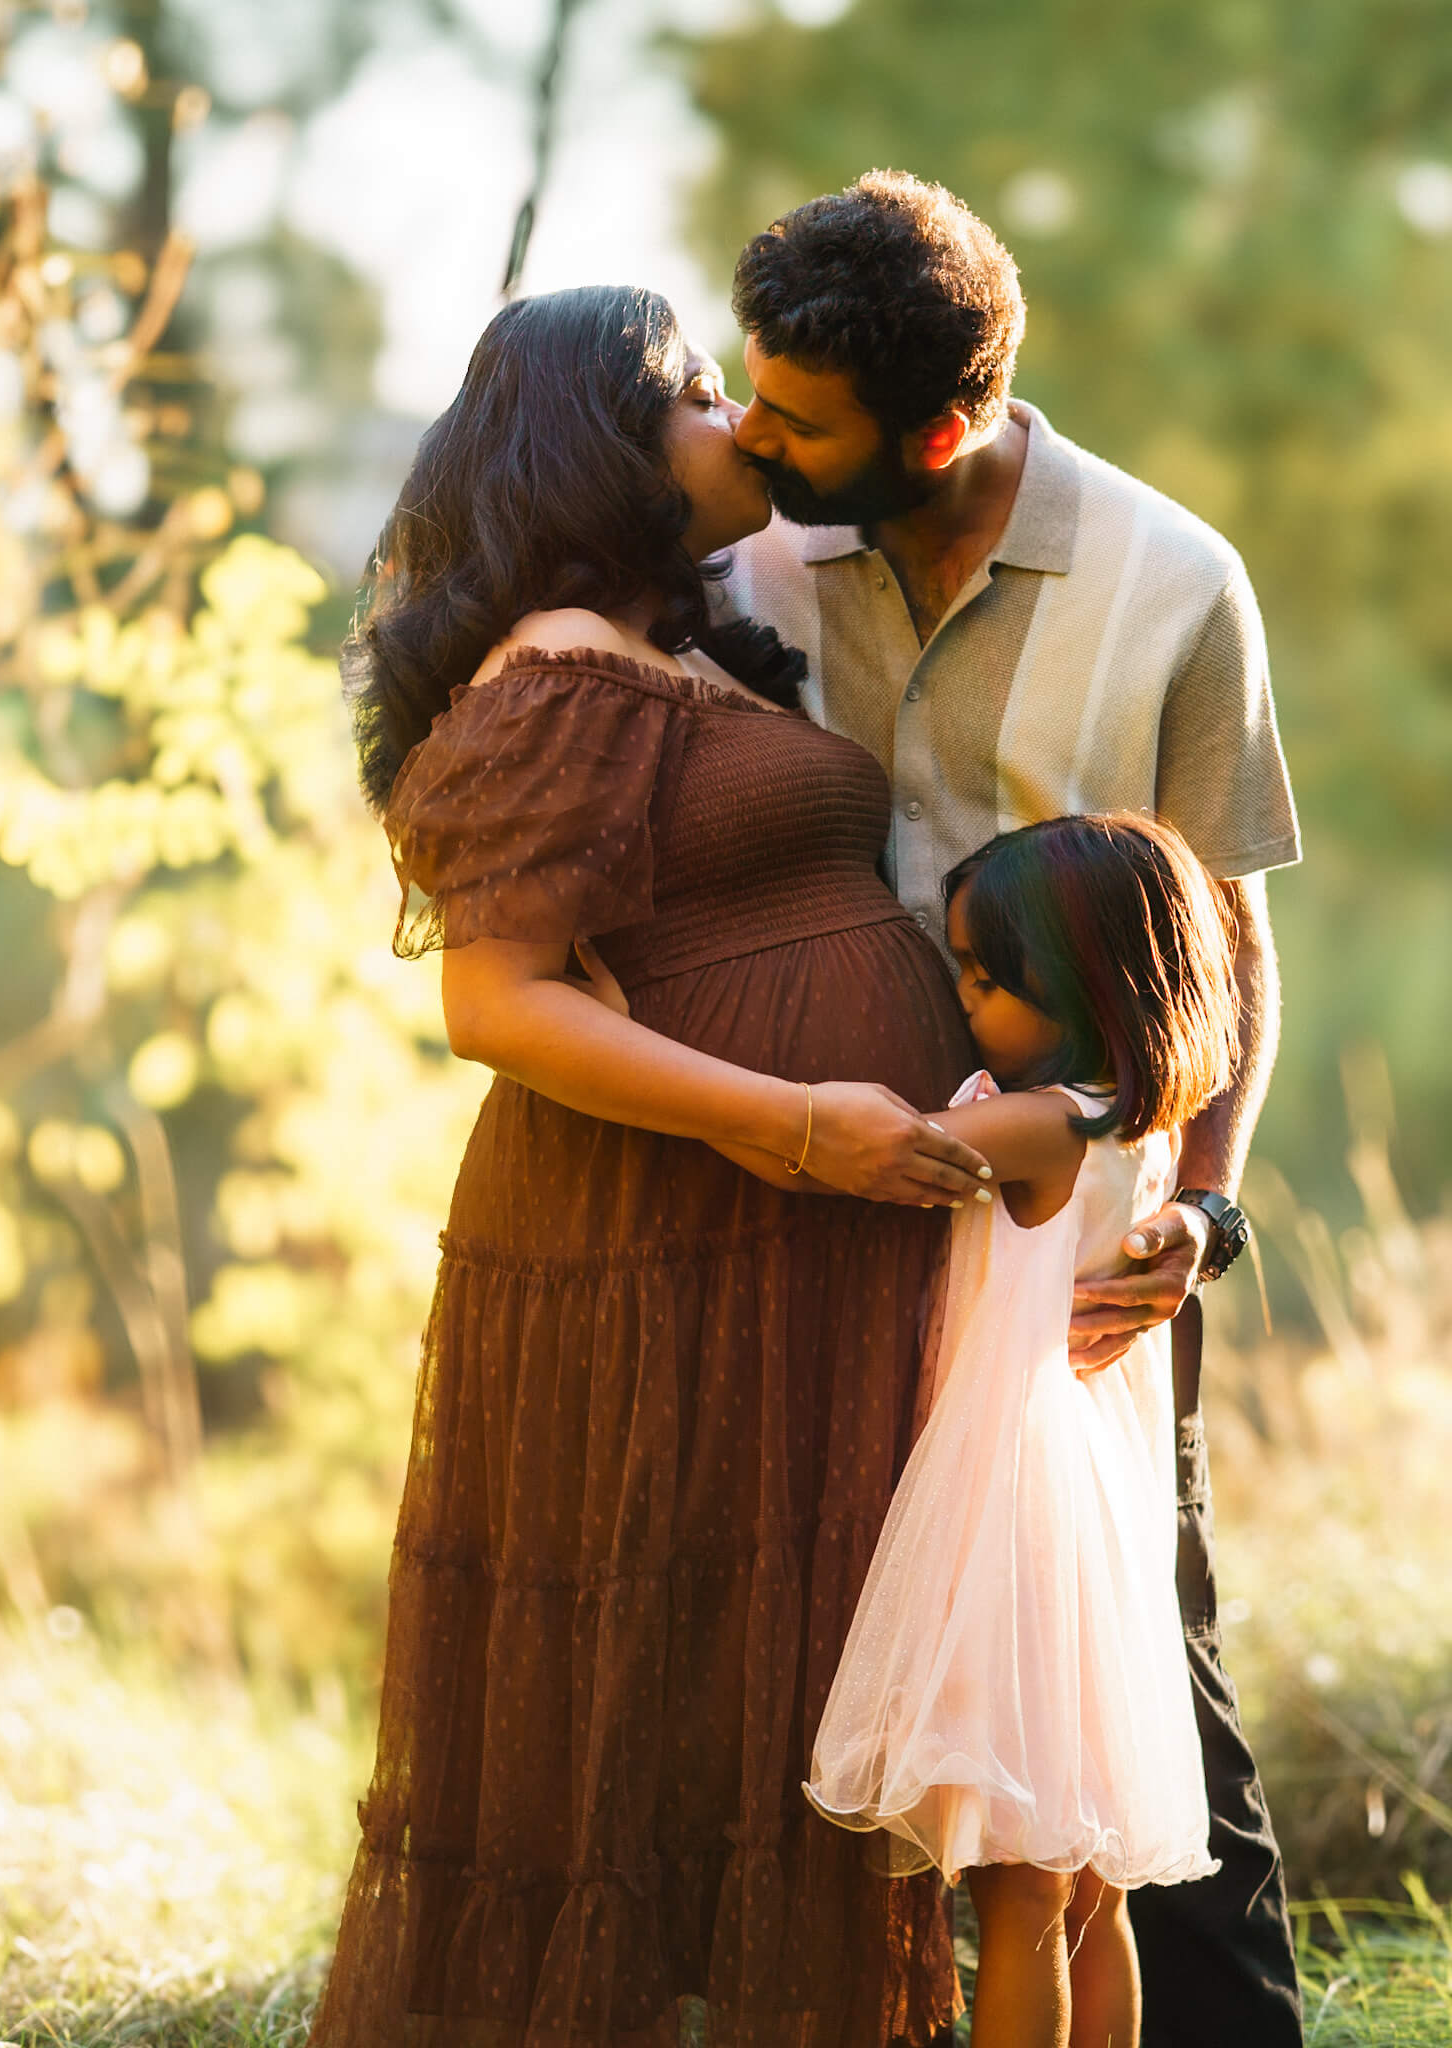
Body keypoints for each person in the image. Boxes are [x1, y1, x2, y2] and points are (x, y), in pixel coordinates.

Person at [306, 282, 999, 2048]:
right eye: (702, 393)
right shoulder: (552, 664)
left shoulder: (672, 650)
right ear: (603, 444)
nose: (743, 427)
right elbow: (499, 1004)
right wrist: (792, 1119)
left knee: (767, 1653)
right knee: (655, 1658)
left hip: (777, 1233)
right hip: (671, 1224)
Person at [717, 172, 1304, 2046]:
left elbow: (1228, 941)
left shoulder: (1171, 580)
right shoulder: (755, 559)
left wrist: (1198, 1214)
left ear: (942, 426)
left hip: (1077, 1227)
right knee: (836, 1621)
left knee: (1127, 1645)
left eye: (796, 421)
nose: (755, 439)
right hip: (813, 1196)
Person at [804, 814, 1242, 2048]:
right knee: (1085, 1891)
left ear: (1081, 986)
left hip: (1012, 1519)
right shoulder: (1138, 1120)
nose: (961, 997)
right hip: (1092, 1514)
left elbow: (869, 1152)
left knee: (1019, 1896)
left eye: (985, 978)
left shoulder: (1046, 1123)